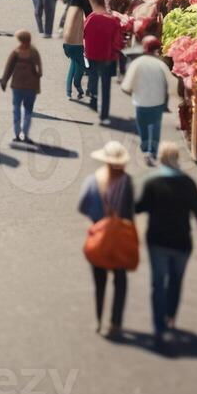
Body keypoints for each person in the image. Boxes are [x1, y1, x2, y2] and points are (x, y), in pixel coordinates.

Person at [135, 141, 197, 349]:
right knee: (176, 281)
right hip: (182, 242)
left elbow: (139, 207)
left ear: (160, 158)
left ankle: (159, 326)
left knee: (157, 284)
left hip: (157, 241)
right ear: (177, 158)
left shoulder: (152, 182)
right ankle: (171, 317)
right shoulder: (188, 183)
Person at [77, 141, 135, 337]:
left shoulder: (93, 180)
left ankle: (98, 319)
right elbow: (129, 211)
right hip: (119, 237)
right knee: (120, 280)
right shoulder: (126, 182)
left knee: (99, 281)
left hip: (99, 237)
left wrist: (97, 220)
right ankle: (115, 322)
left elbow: (82, 205)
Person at [121, 36, 176, 164]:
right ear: (156, 50)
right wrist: (172, 95)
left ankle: (145, 148)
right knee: (155, 127)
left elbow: (127, 84)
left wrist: (129, 90)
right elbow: (171, 82)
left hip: (140, 102)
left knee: (142, 125)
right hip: (157, 102)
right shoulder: (161, 64)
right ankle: (152, 152)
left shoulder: (137, 63)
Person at [83, 0, 123, 125]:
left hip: (92, 54)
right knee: (105, 86)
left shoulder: (91, 18)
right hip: (107, 56)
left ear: (93, 2)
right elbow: (118, 41)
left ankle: (93, 100)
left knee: (93, 78)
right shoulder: (113, 20)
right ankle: (103, 114)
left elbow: (84, 33)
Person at [0, 30, 43, 144]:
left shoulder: (16, 52)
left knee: (20, 111)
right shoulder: (33, 52)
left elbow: (8, 70)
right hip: (28, 87)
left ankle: (20, 134)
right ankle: (22, 135)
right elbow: (40, 72)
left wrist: (4, 81)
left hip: (20, 87)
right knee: (24, 111)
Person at [62, 2, 87, 101]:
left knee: (72, 66)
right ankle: (79, 89)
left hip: (68, 45)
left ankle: (68, 92)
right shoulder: (83, 12)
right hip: (78, 46)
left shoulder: (70, 9)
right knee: (80, 69)